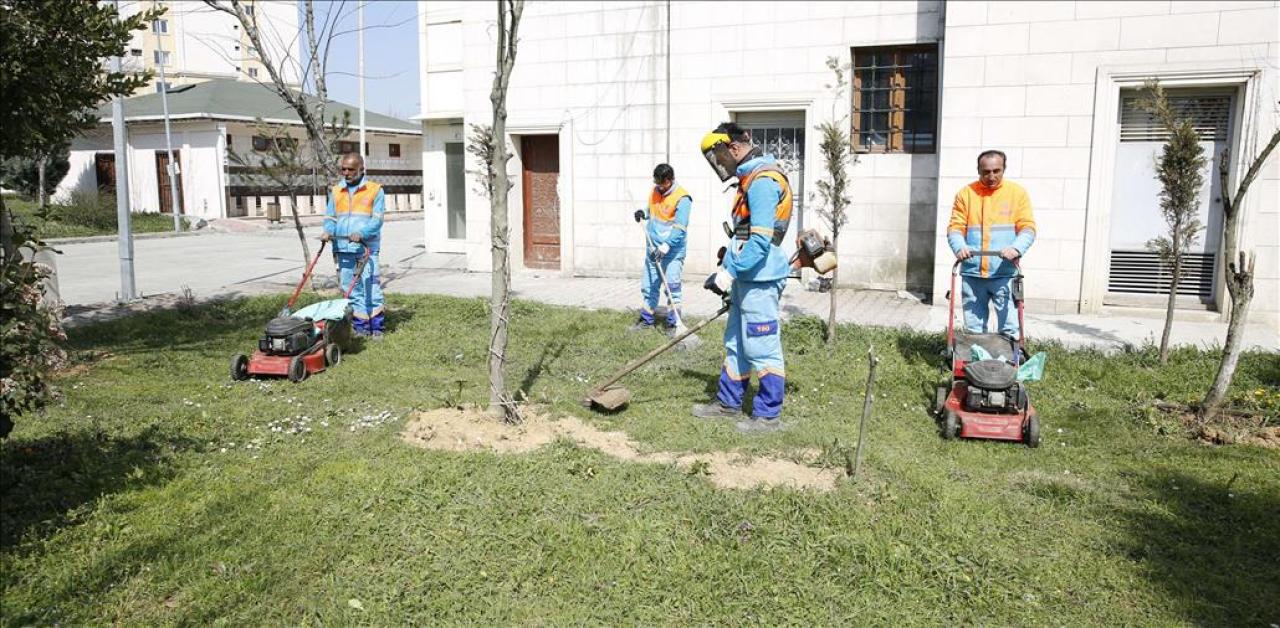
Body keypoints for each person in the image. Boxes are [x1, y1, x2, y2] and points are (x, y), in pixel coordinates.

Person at [693, 122, 794, 433]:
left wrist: (729, 273)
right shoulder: (750, 179)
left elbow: (762, 242)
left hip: (760, 280)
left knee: (761, 345)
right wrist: (731, 258)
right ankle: (728, 403)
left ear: (733, 148)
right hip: (748, 278)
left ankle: (767, 415)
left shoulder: (763, 181)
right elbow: (747, 235)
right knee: (737, 342)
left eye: (719, 157)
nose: (720, 165)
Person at [946, 150, 1036, 339]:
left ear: (1004, 169)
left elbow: (1028, 228)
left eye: (997, 170)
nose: (992, 176)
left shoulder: (1017, 194)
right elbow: (955, 228)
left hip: (1003, 271)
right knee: (974, 326)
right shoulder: (966, 194)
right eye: (986, 171)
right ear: (978, 170)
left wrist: (1016, 248)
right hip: (973, 271)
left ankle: (1009, 361)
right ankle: (977, 361)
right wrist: (959, 247)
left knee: (1010, 324)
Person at [321, 153, 386, 337]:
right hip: (343, 248)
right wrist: (328, 231)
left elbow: (377, 220)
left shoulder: (375, 190)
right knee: (350, 288)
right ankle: (360, 328)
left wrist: (362, 234)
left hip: (366, 249)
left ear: (361, 169)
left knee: (370, 287)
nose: (346, 173)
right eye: (343, 169)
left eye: (351, 169)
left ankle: (377, 328)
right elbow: (330, 218)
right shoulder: (336, 191)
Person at [632, 163, 692, 333]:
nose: (659, 186)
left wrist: (666, 246)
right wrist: (643, 213)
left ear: (670, 180)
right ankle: (646, 319)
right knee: (649, 284)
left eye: (662, 183)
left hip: (672, 251)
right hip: (653, 247)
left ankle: (674, 323)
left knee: (672, 286)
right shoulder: (655, 191)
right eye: (656, 183)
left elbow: (681, 227)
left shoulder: (683, 198)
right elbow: (652, 211)